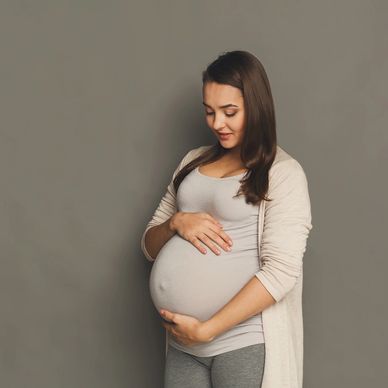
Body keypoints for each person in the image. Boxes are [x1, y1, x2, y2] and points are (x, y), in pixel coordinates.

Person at [140, 50, 313, 388]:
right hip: (183, 343)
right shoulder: (191, 162)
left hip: (242, 343)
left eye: (230, 112)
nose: (218, 123)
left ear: (257, 106)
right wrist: (176, 223)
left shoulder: (283, 174)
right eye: (210, 112)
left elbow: (280, 273)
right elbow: (148, 246)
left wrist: (208, 330)